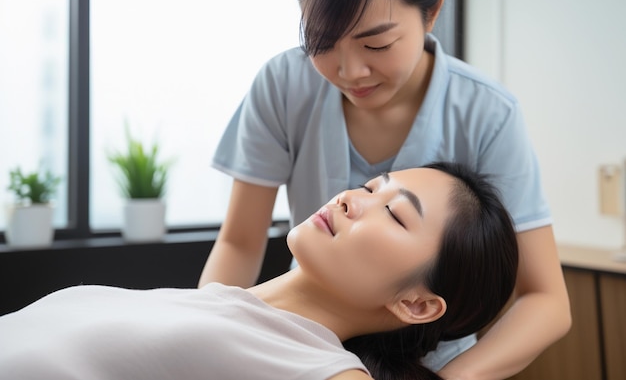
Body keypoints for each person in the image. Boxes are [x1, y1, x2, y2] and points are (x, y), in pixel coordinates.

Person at [200, 0, 571, 378]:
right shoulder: (284, 84)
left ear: (432, 13)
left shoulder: (487, 113)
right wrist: (208, 331)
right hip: (301, 341)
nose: (349, 71)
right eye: (320, 41)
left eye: (376, 45)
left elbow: (546, 300)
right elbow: (239, 242)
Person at [0, 163, 518, 380]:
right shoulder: (218, 303)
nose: (351, 200)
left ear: (417, 304)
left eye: (394, 213)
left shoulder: (323, 369)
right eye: (369, 187)